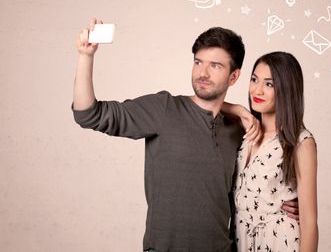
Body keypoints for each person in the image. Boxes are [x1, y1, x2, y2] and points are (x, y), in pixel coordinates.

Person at [72, 18, 297, 252]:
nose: (203, 72)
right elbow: (89, 115)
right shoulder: (163, 109)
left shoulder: (240, 130)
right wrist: (85, 57)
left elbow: (248, 191)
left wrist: (285, 205)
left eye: (215, 66)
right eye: (198, 62)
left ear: (234, 77)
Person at [226, 52, 318, 252]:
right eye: (254, 80)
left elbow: (310, 222)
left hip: (279, 241)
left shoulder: (301, 141)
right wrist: (239, 111)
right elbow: (209, 106)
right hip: (241, 239)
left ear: (287, 89)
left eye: (269, 84)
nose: (257, 90)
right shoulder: (245, 129)